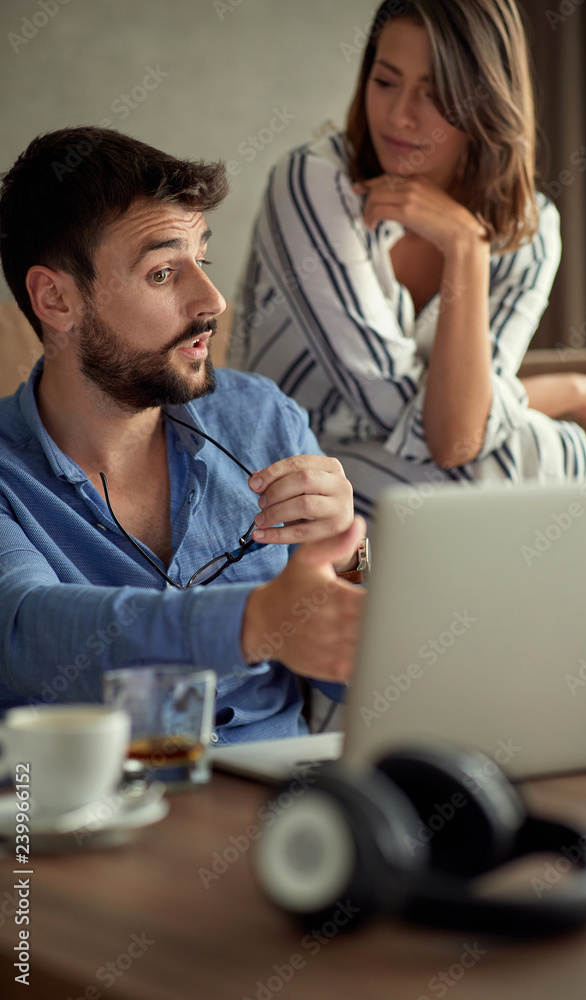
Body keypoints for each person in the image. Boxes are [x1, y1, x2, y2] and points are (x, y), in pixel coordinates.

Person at [0, 126, 368, 743]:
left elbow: (352, 678)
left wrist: (349, 558)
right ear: (56, 299)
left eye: (203, 259)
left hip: (281, 798)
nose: (212, 300)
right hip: (91, 813)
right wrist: (253, 622)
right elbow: (26, 631)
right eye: (163, 273)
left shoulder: (265, 418)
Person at [228, 0, 586, 521]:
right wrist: (571, 389)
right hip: (278, 479)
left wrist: (465, 247)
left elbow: (458, 432)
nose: (401, 115)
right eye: (386, 82)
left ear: (488, 101)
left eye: (436, 95)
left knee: (527, 453)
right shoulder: (313, 183)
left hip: (405, 486)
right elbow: (443, 435)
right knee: (539, 450)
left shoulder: (529, 230)